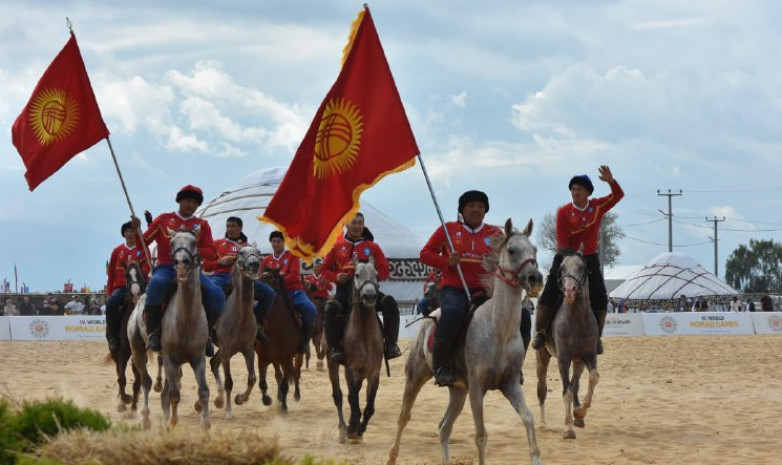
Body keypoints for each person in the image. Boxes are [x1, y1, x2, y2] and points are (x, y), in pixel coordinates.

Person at [531, 165, 624, 355]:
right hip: (566, 256)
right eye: (573, 189)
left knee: (600, 296)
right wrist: (569, 258)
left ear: (588, 192)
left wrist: (611, 182)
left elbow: (618, 196)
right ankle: (540, 332)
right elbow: (562, 238)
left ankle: (596, 338)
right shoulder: (564, 212)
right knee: (548, 291)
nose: (575, 192)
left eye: (579, 189)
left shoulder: (597, 206)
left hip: (589, 258)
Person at [420, 190, 503, 387]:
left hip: (486, 290)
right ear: (462, 209)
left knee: (520, 316)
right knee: (453, 314)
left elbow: (507, 259)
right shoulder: (447, 230)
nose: (476, 210)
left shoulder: (495, 233)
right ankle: (441, 366)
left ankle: (512, 367)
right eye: (471, 206)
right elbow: (425, 254)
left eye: (481, 206)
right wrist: (446, 261)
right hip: (455, 288)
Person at [132, 185, 225, 354]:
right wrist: (137, 229)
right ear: (180, 201)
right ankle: (153, 332)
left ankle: (207, 335)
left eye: (195, 203)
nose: (192, 205)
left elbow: (211, 252)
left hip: (192, 270)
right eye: (188, 201)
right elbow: (142, 244)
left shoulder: (201, 225)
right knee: (156, 285)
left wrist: (191, 249)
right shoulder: (163, 220)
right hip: (166, 267)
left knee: (216, 294)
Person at [322, 212, 403, 364]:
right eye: (354, 222)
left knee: (390, 302)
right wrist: (336, 277)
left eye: (360, 223)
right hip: (345, 289)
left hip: (368, 289)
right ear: (347, 224)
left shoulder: (372, 247)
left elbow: (385, 269)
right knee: (331, 308)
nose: (357, 226)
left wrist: (374, 274)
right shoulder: (336, 246)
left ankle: (391, 344)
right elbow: (325, 269)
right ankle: (336, 347)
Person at [203, 216, 276, 342]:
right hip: (220, 277)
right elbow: (206, 266)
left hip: (244, 278)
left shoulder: (248, 247)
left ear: (240, 228)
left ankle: (258, 324)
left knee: (269, 293)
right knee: (211, 293)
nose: (230, 229)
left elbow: (255, 267)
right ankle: (208, 329)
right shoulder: (216, 244)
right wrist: (220, 262)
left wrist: (259, 271)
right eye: (228, 226)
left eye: (233, 226)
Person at [262, 231, 316, 354]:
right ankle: (256, 336)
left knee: (310, 309)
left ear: (284, 243)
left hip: (293, 291)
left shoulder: (292, 256)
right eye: (273, 241)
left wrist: (278, 279)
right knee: (254, 307)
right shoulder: (266, 260)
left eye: (278, 241)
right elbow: (261, 277)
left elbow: (294, 275)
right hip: (273, 293)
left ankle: (305, 340)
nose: (276, 244)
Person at [105, 221, 149, 352]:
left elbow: (147, 267)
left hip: (140, 286)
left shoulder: (143, 250)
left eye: (132, 231)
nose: (130, 234)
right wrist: (110, 292)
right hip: (121, 288)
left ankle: (154, 334)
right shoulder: (117, 251)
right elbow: (111, 272)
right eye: (127, 231)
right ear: (124, 234)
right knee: (112, 303)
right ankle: (113, 337)